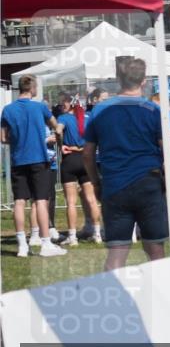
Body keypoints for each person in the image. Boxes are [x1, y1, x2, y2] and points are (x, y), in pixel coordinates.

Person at [82, 58, 168, 270]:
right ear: (144, 81)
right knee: (156, 249)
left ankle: (112, 299)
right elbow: (168, 150)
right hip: (148, 182)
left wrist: (96, 182)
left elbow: (88, 153)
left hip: (114, 185)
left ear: (119, 78)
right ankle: (163, 296)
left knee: (117, 252)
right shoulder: (153, 110)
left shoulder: (100, 110)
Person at [1, 75, 66, 256]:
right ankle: (46, 243)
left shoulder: (7, 110)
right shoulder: (40, 107)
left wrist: (19, 142)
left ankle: (22, 245)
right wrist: (59, 131)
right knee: (41, 201)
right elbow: (56, 126)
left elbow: (3, 138)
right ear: (32, 88)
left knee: (19, 202)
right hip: (38, 159)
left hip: (18, 160)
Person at [56, 93, 103, 246]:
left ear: (70, 104)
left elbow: (57, 130)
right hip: (87, 159)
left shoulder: (63, 118)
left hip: (70, 159)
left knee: (71, 202)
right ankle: (97, 234)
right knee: (92, 199)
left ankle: (72, 237)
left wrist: (60, 144)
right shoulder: (88, 117)